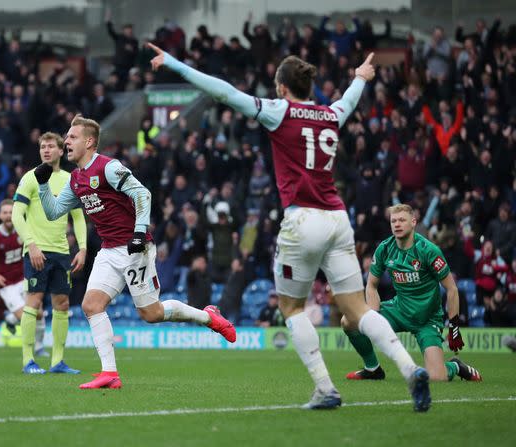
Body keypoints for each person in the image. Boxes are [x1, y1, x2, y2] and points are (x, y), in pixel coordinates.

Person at [149, 44, 431, 411]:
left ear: (282, 86)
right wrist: (361, 77)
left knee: (292, 308)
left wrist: (174, 62)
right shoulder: (329, 114)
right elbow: (348, 100)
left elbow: (224, 91)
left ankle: (325, 389)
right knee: (359, 310)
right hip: (337, 218)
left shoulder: (278, 111)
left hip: (302, 220)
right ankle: (410, 370)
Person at [38, 115, 236, 389]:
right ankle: (110, 374)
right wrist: (43, 184)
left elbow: (142, 194)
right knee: (91, 305)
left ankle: (208, 316)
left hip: (134, 247)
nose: (66, 141)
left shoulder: (108, 167)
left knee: (151, 314)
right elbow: (53, 212)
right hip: (109, 249)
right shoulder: (76, 179)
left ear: (89, 141)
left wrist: (140, 232)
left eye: (72, 137)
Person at [344, 204, 482, 382]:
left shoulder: (429, 251)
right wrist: (375, 318)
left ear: (413, 222)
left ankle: (454, 366)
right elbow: (371, 285)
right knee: (348, 320)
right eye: (394, 221)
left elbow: (452, 288)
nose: (397, 224)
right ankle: (373, 368)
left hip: (427, 319)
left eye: (402, 220)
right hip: (399, 310)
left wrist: (454, 327)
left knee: (437, 377)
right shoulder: (385, 248)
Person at [11, 132, 87, 374]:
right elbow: (16, 215)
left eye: (50, 146)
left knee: (62, 304)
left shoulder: (69, 179)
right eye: (42, 147)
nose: (45, 150)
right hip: (36, 251)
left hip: (61, 252)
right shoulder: (31, 178)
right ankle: (28, 360)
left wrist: (83, 248)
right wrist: (31, 244)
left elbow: (78, 217)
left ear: (60, 151)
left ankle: (57, 362)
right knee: (33, 302)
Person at [0, 199, 45, 355]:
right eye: (5, 212)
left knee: (39, 313)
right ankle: (15, 323)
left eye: (11, 212)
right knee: (26, 317)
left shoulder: (23, 231)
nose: (8, 216)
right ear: (0, 216)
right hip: (6, 285)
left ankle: (39, 347)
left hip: (24, 278)